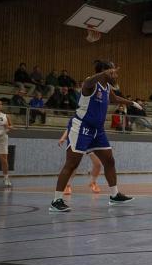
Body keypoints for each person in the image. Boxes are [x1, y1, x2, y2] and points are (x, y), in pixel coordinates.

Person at [49, 60, 137, 212]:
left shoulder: (107, 86)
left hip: (98, 131)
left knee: (109, 160)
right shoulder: (90, 84)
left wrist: (132, 103)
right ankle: (56, 201)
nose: (115, 75)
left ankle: (115, 195)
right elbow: (88, 81)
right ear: (104, 72)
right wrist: (103, 73)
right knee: (72, 164)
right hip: (82, 127)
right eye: (112, 72)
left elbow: (114, 99)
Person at [58, 128, 102, 195]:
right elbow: (70, 126)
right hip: (78, 139)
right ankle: (67, 185)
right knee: (74, 165)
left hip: (91, 139)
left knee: (98, 164)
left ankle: (93, 182)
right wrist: (63, 138)